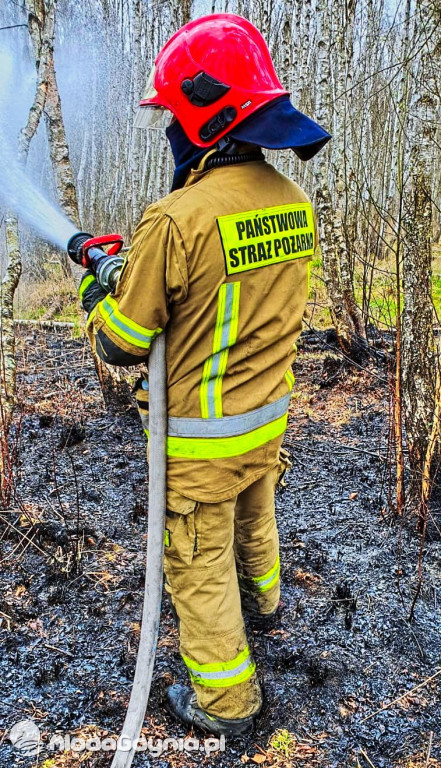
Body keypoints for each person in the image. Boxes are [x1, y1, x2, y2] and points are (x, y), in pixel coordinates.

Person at [79, 14, 330, 737]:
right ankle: (268, 604)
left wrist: (99, 296)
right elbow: (229, 291)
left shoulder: (175, 217)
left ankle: (224, 702)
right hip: (265, 416)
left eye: (170, 118)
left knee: (196, 559)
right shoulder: (289, 199)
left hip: (198, 439)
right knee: (256, 512)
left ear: (202, 119)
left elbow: (126, 342)